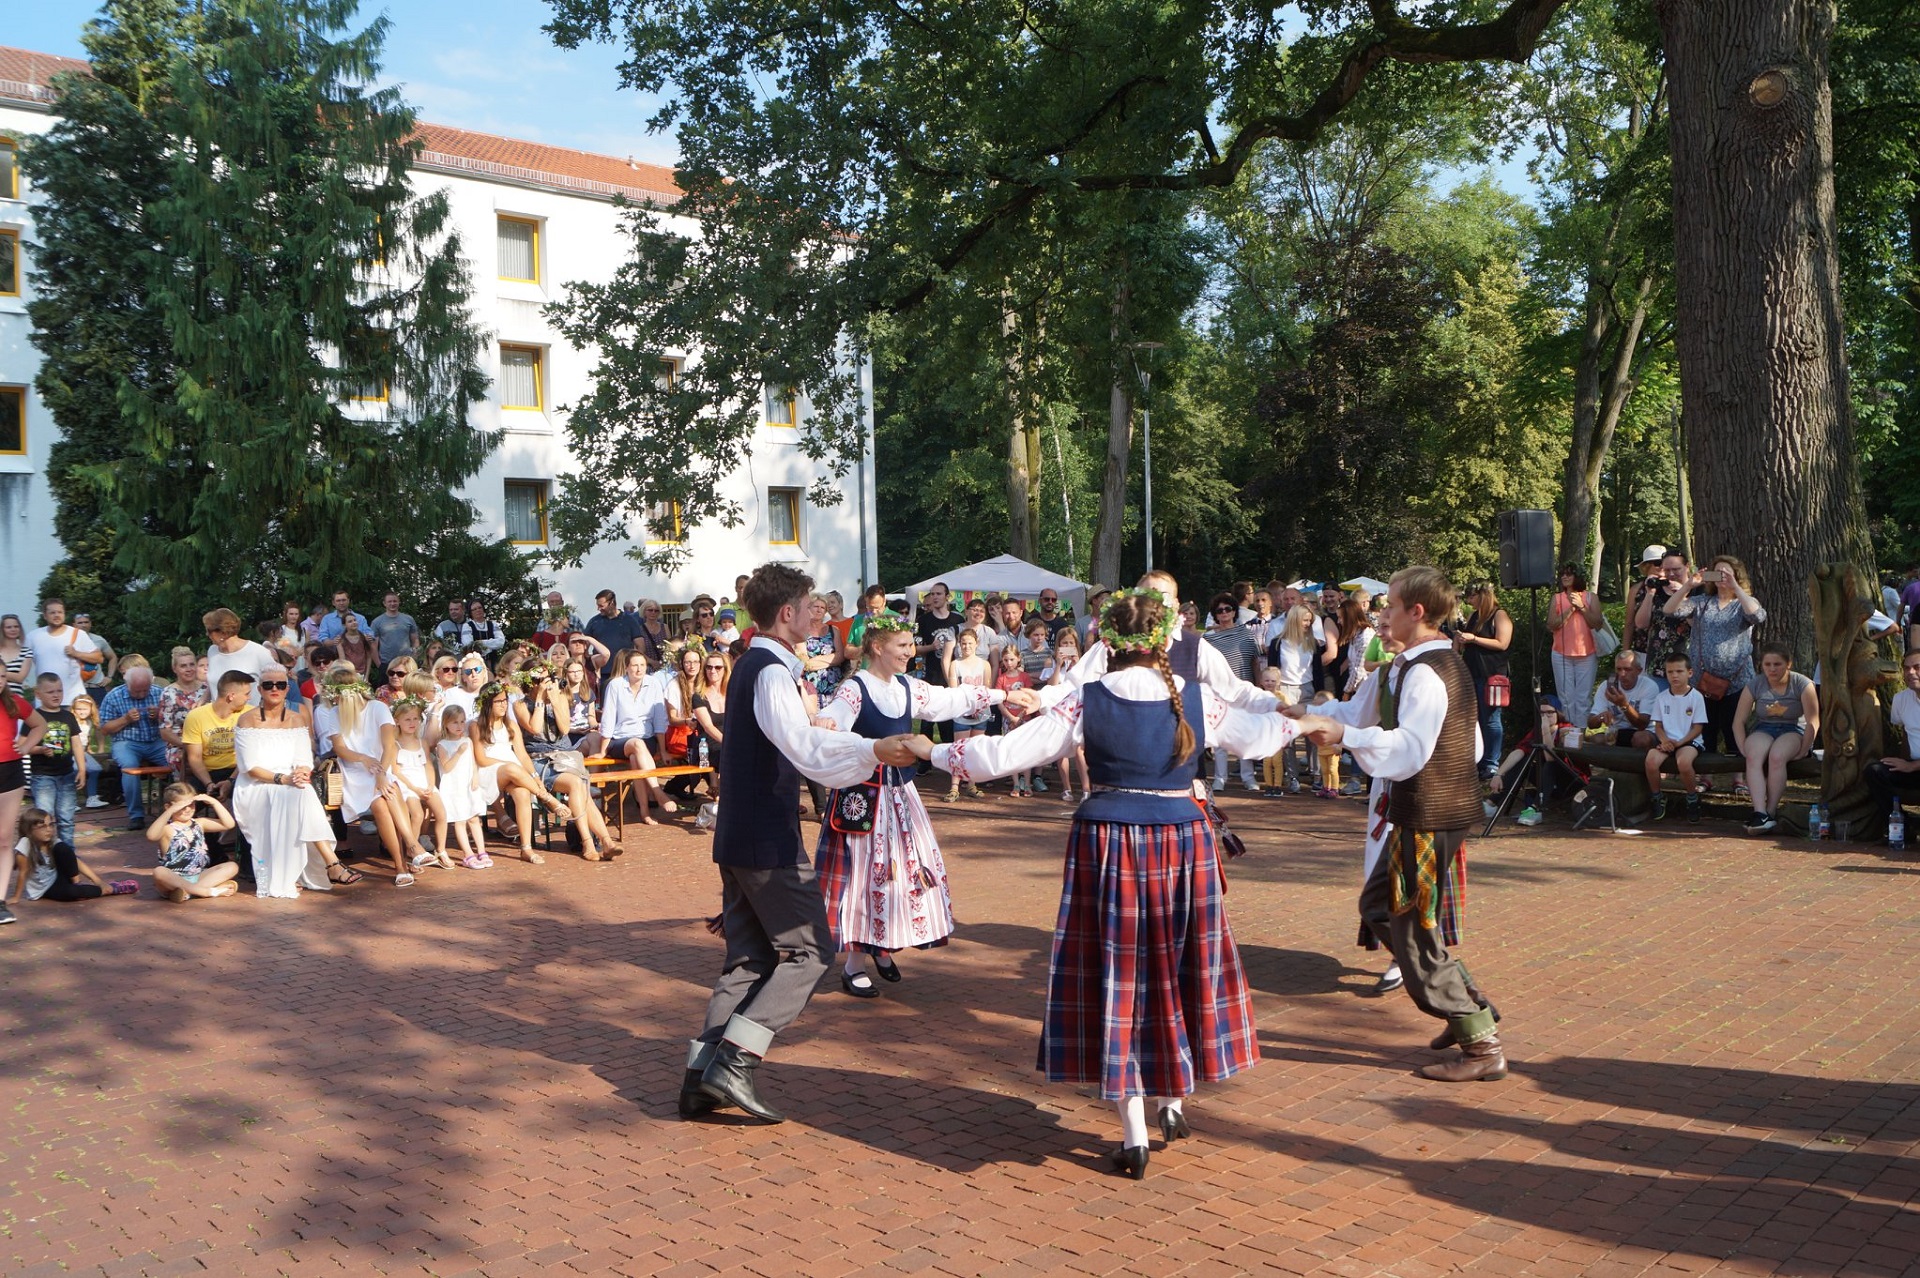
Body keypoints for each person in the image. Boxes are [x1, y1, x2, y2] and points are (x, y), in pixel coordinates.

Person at [913, 588, 1312, 1174]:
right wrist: (1311, 720)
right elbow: (1263, 736)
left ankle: (1133, 1133)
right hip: (1182, 841)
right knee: (1176, 968)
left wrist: (933, 752)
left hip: (1108, 844)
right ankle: (1172, 1098)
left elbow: (1002, 756)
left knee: (1119, 975)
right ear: (1160, 644)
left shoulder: (1088, 702)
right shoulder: (1194, 701)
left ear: (1109, 642)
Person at [680, 563, 920, 1126]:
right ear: (785, 612)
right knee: (811, 951)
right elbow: (802, 748)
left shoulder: (763, 666)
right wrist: (872, 752)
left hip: (742, 834)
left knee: (747, 962)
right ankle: (734, 1063)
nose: (818, 613)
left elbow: (801, 742)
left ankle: (699, 1078)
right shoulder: (767, 671)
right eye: (810, 604)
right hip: (764, 838)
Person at [1297, 566, 1508, 1083]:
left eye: (1389, 606)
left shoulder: (1427, 672)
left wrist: (1343, 737)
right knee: (1377, 907)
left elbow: (1412, 750)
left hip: (1431, 813)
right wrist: (1296, 713)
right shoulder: (1404, 667)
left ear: (1417, 612)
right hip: (1427, 810)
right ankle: (1468, 1007)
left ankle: (1480, 1044)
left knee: (1409, 925)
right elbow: (1360, 715)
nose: (1380, 615)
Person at [813, 616, 1030, 998]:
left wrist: (1001, 695)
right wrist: (827, 721)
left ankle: (882, 947)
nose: (910, 652)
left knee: (904, 876)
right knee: (869, 878)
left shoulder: (906, 686)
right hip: (863, 800)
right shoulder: (855, 688)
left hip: (901, 796)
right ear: (877, 647)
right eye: (901, 645)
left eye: (911, 645)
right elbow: (836, 715)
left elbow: (951, 699)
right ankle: (853, 965)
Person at [232, 666, 358, 895]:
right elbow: (249, 768)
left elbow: (304, 758)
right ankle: (332, 864)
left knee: (302, 790)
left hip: (291, 782)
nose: (274, 689)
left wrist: (301, 772)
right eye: (268, 685)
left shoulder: (297, 718)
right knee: (297, 792)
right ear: (260, 689)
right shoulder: (247, 720)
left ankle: (328, 864)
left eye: (280, 685)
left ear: (287, 689)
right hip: (257, 785)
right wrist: (283, 778)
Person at [313, 664, 416, 885]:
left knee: (385, 795)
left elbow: (389, 746)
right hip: (354, 774)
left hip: (383, 767)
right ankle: (407, 854)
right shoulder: (334, 713)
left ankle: (403, 860)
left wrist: (380, 773)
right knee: (381, 801)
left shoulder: (378, 707)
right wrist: (363, 759)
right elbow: (340, 749)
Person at [1662, 554, 1765, 757]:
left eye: (1726, 572)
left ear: (1737, 575)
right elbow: (1669, 610)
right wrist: (1688, 586)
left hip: (1737, 680)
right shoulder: (1702, 602)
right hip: (1704, 680)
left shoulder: (1744, 602)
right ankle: (1704, 777)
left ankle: (1738, 778)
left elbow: (1757, 615)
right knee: (1705, 729)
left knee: (1734, 728)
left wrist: (1735, 588)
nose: (1721, 577)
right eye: (1717, 572)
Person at [471, 680, 574, 864]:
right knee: (512, 767)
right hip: (489, 773)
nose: (504, 704)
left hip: (514, 772)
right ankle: (548, 799)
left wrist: (534, 776)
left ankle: (526, 848)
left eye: (505, 700)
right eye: (499, 701)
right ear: (488, 704)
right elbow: (481, 759)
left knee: (523, 793)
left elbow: (523, 755)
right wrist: (512, 767)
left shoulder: (510, 725)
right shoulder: (476, 726)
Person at [1733, 642, 1819, 834]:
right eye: (1767, 664)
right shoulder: (1755, 684)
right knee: (1754, 755)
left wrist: (1805, 748)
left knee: (1777, 756)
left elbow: (1813, 720)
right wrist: (1743, 747)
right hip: (1764, 728)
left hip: (1793, 728)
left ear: (1788, 664)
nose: (1772, 669)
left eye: (1777, 664)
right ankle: (1759, 812)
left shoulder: (1802, 684)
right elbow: (1738, 721)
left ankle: (1770, 811)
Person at [602, 648, 677, 823]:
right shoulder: (616, 685)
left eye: (642, 665)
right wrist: (603, 748)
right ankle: (658, 792)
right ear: (626, 667)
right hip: (620, 740)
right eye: (634, 665)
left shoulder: (653, 684)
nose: (639, 669)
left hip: (646, 740)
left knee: (636, 759)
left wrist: (663, 749)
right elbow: (608, 717)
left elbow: (660, 718)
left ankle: (644, 811)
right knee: (636, 744)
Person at [10, 808, 137, 905]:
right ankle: (111, 889)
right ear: (29, 830)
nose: (49, 830)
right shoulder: (25, 844)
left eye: (50, 825)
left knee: (63, 848)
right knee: (72, 894)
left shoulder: (52, 841)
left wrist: (99, 881)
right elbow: (23, 872)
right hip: (46, 888)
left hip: (59, 875)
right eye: (42, 827)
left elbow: (75, 860)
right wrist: (16, 897)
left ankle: (78, 883)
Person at [1454, 581, 1513, 783]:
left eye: (1472, 596)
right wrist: (1461, 640)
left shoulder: (1499, 615)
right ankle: (1477, 759)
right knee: (1475, 718)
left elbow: (1502, 643)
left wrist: (1474, 639)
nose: (1469, 601)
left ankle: (1491, 762)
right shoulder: (1473, 616)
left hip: (1492, 676)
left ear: (1483, 595)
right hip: (1472, 672)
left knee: (1491, 719)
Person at [1204, 593, 1262, 793]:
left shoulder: (1246, 634)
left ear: (1235, 611)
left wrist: (1259, 684)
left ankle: (1248, 777)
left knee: (1244, 735)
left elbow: (1254, 661)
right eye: (1219, 610)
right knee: (1220, 736)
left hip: (1244, 689)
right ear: (1215, 615)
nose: (1224, 613)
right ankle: (1220, 777)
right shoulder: (1208, 639)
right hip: (1220, 691)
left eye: (1227, 609)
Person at [99, 658, 168, 821]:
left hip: (156, 741)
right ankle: (136, 815)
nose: (142, 695)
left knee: (176, 761)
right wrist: (125, 719)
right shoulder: (113, 696)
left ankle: (172, 808)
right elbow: (105, 729)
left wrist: (158, 715)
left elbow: (171, 722)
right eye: (137, 691)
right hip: (127, 742)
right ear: (127, 684)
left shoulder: (159, 692)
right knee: (129, 767)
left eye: (145, 690)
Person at [147, 783, 242, 902]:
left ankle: (188, 892)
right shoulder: (167, 828)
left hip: (198, 875)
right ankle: (206, 891)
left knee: (232, 866)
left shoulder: (199, 823)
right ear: (169, 807)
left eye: (191, 805)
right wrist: (169, 812)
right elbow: (151, 836)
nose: (187, 809)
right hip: (174, 879)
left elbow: (229, 824)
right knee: (159, 872)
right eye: (182, 807)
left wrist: (214, 802)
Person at [1644, 653, 1708, 822]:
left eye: (1679, 671)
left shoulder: (1696, 697)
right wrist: (1665, 741)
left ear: (1689, 673)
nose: (1674, 675)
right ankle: (1657, 796)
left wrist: (1679, 742)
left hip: (1689, 741)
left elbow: (1698, 727)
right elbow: (1658, 726)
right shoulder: (1661, 697)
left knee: (1684, 762)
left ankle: (1692, 798)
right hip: (1667, 741)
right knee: (1651, 760)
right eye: (1670, 672)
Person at [27, 673, 83, 847]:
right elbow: (23, 746)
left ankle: (68, 857)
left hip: (66, 775)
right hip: (43, 776)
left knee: (66, 819)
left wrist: (82, 768)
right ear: (38, 694)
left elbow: (76, 744)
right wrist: (40, 749)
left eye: (59, 690)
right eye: (50, 692)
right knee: (45, 819)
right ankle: (46, 857)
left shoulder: (68, 716)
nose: (56, 695)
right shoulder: (34, 717)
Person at [1547, 563, 1604, 733]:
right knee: (1566, 698)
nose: (1564, 577)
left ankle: (1580, 734)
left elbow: (1597, 623)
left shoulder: (1590, 597)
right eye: (1563, 574)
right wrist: (1571, 608)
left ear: (1577, 577)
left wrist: (1581, 606)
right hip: (1561, 654)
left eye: (1569, 574)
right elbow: (1551, 625)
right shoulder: (1557, 598)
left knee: (1583, 698)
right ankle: (1567, 733)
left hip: (1587, 654)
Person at [436, 704, 492, 868]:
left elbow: (472, 762)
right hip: (454, 787)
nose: (459, 726)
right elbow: (446, 767)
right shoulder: (442, 745)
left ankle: (481, 851)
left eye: (462, 722)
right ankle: (468, 854)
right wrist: (458, 752)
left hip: (468, 784)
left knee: (474, 818)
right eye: (455, 723)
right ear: (446, 723)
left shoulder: (467, 740)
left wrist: (475, 777)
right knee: (460, 820)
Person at [183, 671, 252, 803]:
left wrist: (230, 781)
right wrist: (209, 784)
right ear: (231, 696)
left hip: (239, 772)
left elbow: (249, 755)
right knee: (182, 804)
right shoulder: (196, 716)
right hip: (207, 772)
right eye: (246, 694)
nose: (249, 698)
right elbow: (194, 758)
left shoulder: (250, 714)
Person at [943, 628, 994, 800]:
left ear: (976, 644)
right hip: (962, 713)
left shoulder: (985, 665)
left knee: (974, 749)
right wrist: (966, 706)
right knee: (959, 749)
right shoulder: (955, 664)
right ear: (959, 644)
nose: (966, 646)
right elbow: (953, 690)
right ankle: (954, 787)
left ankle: (972, 784)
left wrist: (978, 707)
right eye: (963, 643)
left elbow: (987, 689)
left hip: (980, 713)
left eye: (970, 643)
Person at [205, 607, 285, 706]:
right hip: (217, 718)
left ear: (223, 632)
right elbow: (214, 682)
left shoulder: (258, 652)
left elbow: (278, 683)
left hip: (248, 718)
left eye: (209, 631)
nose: (207, 634)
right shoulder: (212, 651)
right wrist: (203, 699)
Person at [26, 598, 98, 707]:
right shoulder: (33, 636)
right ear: (45, 616)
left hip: (74, 699)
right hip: (44, 702)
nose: (56, 615)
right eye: (52, 612)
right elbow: (23, 661)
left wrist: (77, 654)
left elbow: (98, 657)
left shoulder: (78, 634)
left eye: (60, 612)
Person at [158, 647, 210, 780]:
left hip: (208, 742)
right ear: (175, 669)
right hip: (180, 745)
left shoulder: (207, 690)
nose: (189, 669)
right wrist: (189, 746)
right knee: (185, 760)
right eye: (183, 666)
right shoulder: (168, 694)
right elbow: (165, 731)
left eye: (192, 664)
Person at [1588, 651, 1660, 748]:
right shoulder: (1607, 686)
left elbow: (1642, 724)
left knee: (1641, 739)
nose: (1622, 674)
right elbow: (1591, 724)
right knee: (1596, 739)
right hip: (1617, 731)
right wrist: (1600, 717)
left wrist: (1623, 705)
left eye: (1627, 669)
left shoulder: (1649, 686)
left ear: (1639, 670)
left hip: (1644, 732)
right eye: (1619, 669)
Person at [993, 643, 1037, 796]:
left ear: (1018, 659)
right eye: (1005, 660)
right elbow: (999, 701)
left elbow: (1030, 698)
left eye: (1011, 659)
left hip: (1024, 717)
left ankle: (1027, 783)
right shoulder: (1002, 679)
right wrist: (1011, 717)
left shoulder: (1024, 677)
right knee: (1011, 750)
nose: (1009, 663)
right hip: (1008, 719)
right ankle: (1016, 783)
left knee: (1025, 750)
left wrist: (1019, 716)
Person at [1625, 545, 1668, 658]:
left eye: (1665, 562)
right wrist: (1625, 653)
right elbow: (1629, 624)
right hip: (1643, 650)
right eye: (1658, 562)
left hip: (1671, 651)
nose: (1662, 566)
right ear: (1647, 566)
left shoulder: (1674, 586)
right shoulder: (1637, 589)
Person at [368, 594, 422, 671]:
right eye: (389, 601)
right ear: (384, 603)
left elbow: (415, 640)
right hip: (386, 663)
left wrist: (414, 658)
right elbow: (373, 646)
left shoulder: (408, 619)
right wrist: (379, 665)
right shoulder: (377, 622)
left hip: (406, 663)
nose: (392, 604)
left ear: (399, 602)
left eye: (395, 601)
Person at [72, 614, 117, 697]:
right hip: (76, 688)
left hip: (97, 688)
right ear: (74, 625)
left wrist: (109, 677)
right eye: (80, 623)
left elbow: (113, 657)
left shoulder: (98, 640)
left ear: (90, 624)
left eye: (86, 622)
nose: (83, 625)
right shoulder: (67, 640)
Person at [0, 612, 33, 697]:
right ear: (2, 629)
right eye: (9, 627)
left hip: (16, 698)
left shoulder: (26, 652)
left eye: (16, 626)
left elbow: (20, 678)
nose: (13, 629)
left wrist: (2, 674)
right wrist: (11, 675)